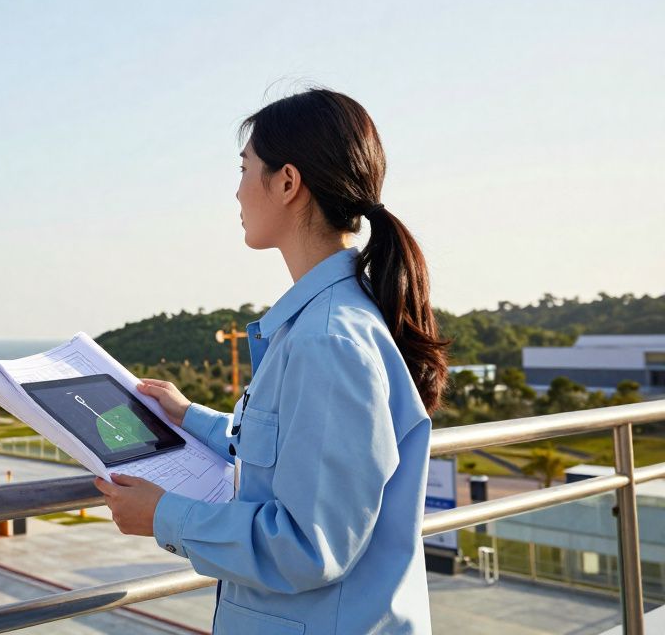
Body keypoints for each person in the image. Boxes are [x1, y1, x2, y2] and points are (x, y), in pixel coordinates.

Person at [95, 88, 448, 634]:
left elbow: (309, 546)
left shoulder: (328, 340)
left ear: (287, 183)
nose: (236, 192)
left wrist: (163, 515)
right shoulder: (324, 322)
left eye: (244, 169)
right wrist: (190, 417)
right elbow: (293, 450)